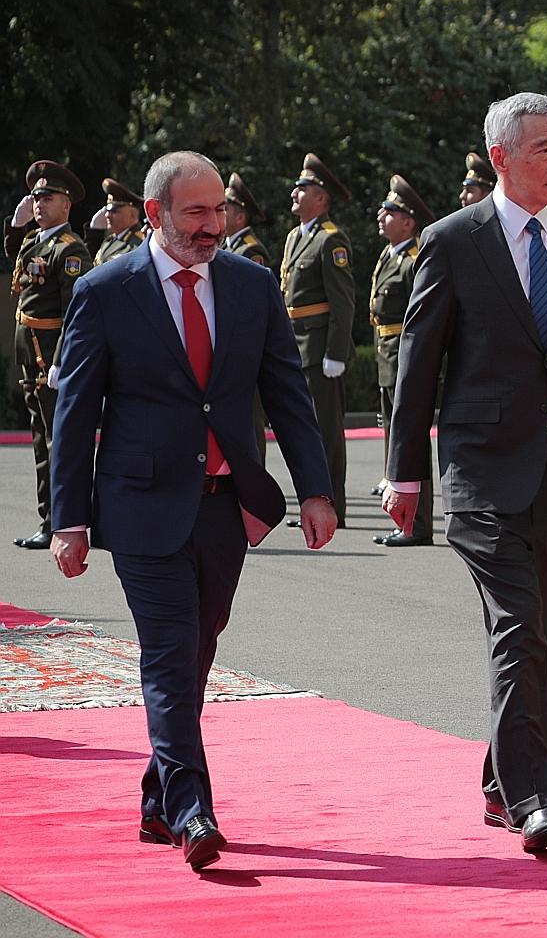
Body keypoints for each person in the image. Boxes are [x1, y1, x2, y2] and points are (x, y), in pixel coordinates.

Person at [48, 150, 336, 872]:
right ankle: (191, 809)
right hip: (141, 506)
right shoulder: (104, 290)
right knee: (172, 654)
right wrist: (69, 519)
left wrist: (315, 490)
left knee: (197, 650)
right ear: (156, 214)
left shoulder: (251, 285)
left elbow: (289, 395)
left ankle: (156, 795)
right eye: (196, 213)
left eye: (218, 211)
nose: (213, 226)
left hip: (223, 506)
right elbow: (75, 414)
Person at [381, 92, 547, 849]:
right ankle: (537, 799)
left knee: (538, 637)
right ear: (501, 156)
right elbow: (418, 365)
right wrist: (405, 476)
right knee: (519, 630)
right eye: (543, 151)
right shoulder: (451, 240)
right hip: (481, 474)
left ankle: (502, 782)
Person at [6, 160, 90, 550]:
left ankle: (66, 522)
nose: (39, 203)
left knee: (59, 442)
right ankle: (49, 519)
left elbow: (75, 312)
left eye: (47, 197)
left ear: (66, 204)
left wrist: (61, 361)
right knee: (42, 440)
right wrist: (16, 224)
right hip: (30, 356)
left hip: (49, 358)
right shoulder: (34, 240)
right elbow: (16, 262)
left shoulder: (69, 249)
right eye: (36, 196)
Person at [281, 153, 355, 527]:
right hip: (297, 347)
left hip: (320, 348)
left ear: (321, 198)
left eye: (304, 187)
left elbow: (342, 302)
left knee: (326, 434)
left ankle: (333, 507)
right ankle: (312, 502)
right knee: (305, 434)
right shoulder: (296, 236)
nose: (296, 191)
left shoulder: (331, 240)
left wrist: (336, 353)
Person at [370, 174, 435, 547]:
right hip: (386, 355)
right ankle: (403, 519)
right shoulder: (389, 255)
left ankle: (417, 523)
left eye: (390, 211)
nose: (382, 215)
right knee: (394, 439)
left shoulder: (414, 260)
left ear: (409, 221)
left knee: (410, 441)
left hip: (403, 358)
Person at [225, 171, 275, 462]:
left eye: (226, 208)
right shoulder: (225, 247)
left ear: (241, 217)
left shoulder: (250, 250)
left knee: (251, 425)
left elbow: (252, 308)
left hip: (245, 346)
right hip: (228, 346)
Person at [88, 178, 146, 265]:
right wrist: (93, 232)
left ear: (132, 214)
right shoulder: (109, 240)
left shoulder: (137, 244)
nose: (107, 215)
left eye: (113, 211)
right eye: (107, 210)